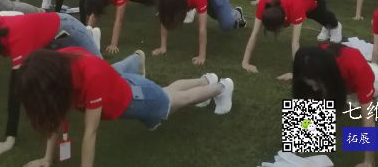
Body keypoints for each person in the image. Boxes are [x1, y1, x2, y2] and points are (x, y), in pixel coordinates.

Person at [16, 47, 234, 167]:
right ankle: (206, 79)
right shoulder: (61, 62)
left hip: (140, 99)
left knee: (178, 100)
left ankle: (222, 87)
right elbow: (56, 113)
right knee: (168, 92)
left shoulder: (90, 76)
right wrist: (47, 159)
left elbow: (90, 133)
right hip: (129, 86)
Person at [0, 12, 100, 159]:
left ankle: (90, 35)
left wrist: (9, 139)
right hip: (47, 38)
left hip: (68, 29)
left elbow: (16, 90)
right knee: (65, 71)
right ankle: (88, 37)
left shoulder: (16, 38)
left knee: (102, 70)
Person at [292, 45, 378, 167]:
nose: (314, 89)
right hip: (339, 84)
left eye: (316, 84)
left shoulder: (359, 69)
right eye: (311, 84)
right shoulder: (314, 61)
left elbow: (369, 122)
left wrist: (368, 162)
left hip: (368, 79)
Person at [242, 0, 342, 77]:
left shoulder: (295, 7)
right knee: (316, 16)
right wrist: (245, 63)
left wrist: (296, 73)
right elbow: (254, 34)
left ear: (285, 18)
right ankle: (327, 26)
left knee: (321, 16)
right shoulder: (263, 6)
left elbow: (295, 43)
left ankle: (335, 26)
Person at [153, 0, 246, 65]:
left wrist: (202, 56)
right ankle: (211, 5)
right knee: (214, 14)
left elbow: (202, 27)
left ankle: (237, 13)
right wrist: (163, 47)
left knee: (227, 25)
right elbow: (165, 17)